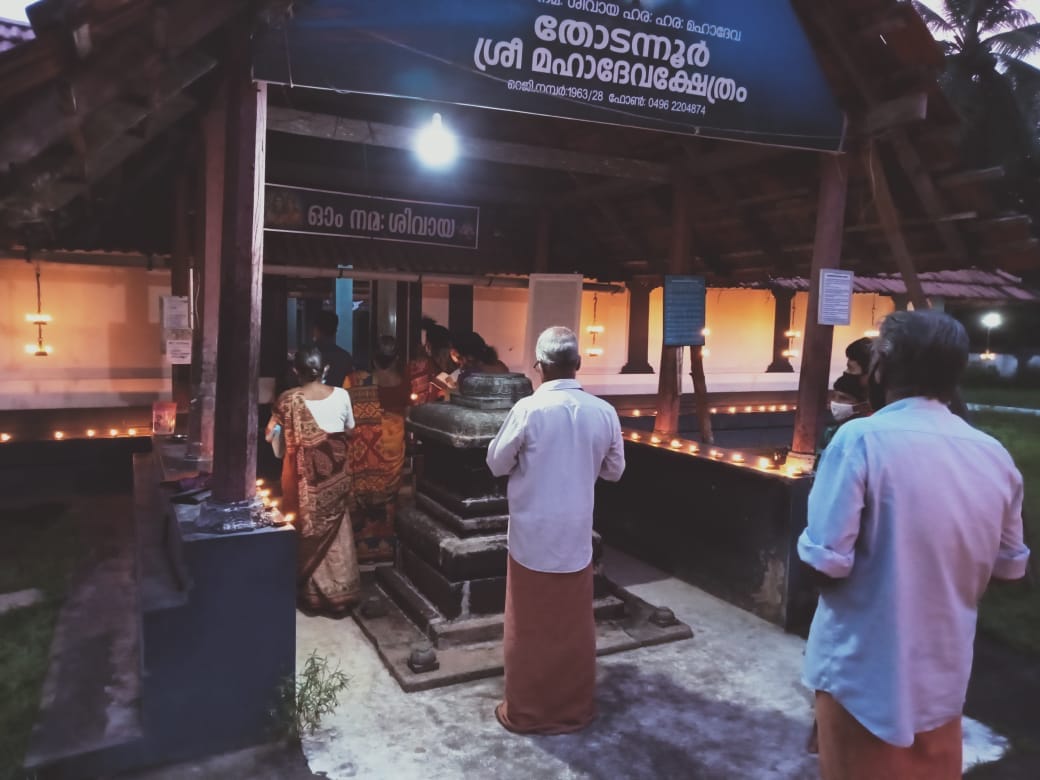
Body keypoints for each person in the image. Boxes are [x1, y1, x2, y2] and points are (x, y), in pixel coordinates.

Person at [798, 310, 1030, 779]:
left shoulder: (860, 438)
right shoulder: (993, 454)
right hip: (943, 673)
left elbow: (826, 565)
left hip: (861, 671)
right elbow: (1010, 571)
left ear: (881, 366)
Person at [486, 326, 626, 734]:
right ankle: (573, 709)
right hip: (576, 537)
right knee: (573, 628)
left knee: (528, 628)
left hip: (531, 537)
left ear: (540, 367)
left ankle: (528, 712)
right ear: (577, 364)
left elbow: (496, 463)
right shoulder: (604, 412)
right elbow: (615, 471)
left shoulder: (528, 410)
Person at [266, 344, 361, 616]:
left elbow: (270, 435)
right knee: (337, 532)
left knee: (305, 529)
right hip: (337, 477)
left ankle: (311, 593)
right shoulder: (342, 395)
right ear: (325, 369)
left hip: (302, 482)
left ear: (296, 371)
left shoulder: (287, 400)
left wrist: (291, 439)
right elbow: (350, 431)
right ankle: (342, 593)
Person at [344, 336, 409, 563]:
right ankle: (385, 545)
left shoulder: (355, 381)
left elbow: (346, 413)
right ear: (397, 359)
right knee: (389, 498)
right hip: (393, 445)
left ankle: (364, 546)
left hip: (367, 448)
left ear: (373, 358)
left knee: (365, 497)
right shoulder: (403, 382)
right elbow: (408, 414)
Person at [313, 310, 354, 388]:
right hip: (337, 399)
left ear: (316, 329)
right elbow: (350, 385)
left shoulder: (306, 355)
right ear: (335, 331)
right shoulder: (345, 357)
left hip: (309, 399)